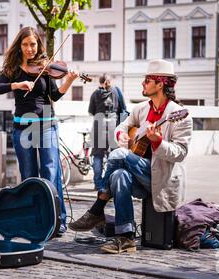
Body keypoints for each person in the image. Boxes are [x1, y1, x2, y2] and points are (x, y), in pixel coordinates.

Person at [68, 59, 193, 253]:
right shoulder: (141, 109)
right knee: (118, 175)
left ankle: (98, 207)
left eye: (147, 80)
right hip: (139, 176)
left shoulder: (178, 115)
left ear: (160, 84)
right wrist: (122, 135)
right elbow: (122, 127)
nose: (143, 83)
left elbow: (180, 153)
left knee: (119, 154)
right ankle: (126, 238)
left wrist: (158, 142)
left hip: (161, 178)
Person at [0, 27, 79, 236]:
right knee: (29, 176)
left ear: (38, 45)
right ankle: (34, 219)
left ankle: (58, 220)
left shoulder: (46, 66)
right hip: (23, 126)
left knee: (51, 173)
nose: (30, 49)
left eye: (33, 44)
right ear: (19, 46)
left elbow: (54, 96)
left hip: (47, 123)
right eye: (25, 45)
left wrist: (69, 80)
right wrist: (17, 84)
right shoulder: (12, 68)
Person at [88, 75, 121, 190]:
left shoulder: (95, 93)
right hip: (112, 125)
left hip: (99, 125)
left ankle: (97, 184)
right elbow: (122, 108)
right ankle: (108, 183)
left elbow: (91, 111)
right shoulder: (116, 92)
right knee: (112, 155)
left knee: (97, 155)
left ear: (100, 81)